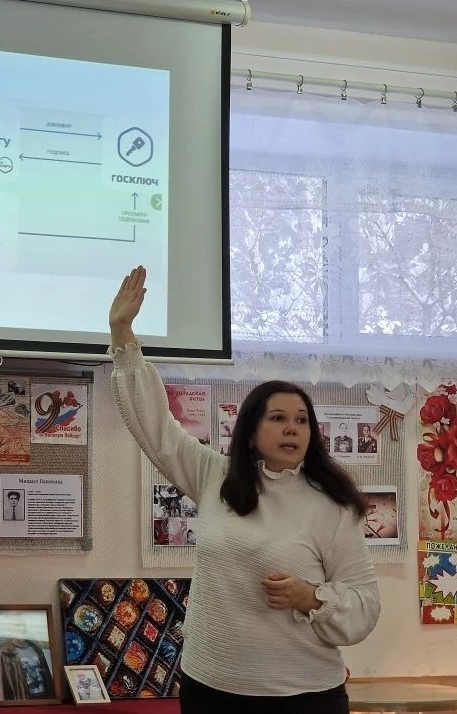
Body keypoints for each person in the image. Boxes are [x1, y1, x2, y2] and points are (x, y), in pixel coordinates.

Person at [108, 266, 380, 714]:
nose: (292, 428)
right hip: (211, 687)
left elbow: (366, 607)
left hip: (303, 696)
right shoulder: (214, 476)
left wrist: (310, 596)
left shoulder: (332, 505)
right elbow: (156, 429)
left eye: (301, 420)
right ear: (251, 433)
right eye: (278, 418)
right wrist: (123, 333)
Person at [0, 620, 54, 701]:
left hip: (43, 699)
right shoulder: (6, 653)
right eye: (16, 627)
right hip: (23, 700)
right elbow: (3, 683)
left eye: (22, 626)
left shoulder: (37, 650)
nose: (20, 629)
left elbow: (47, 677)